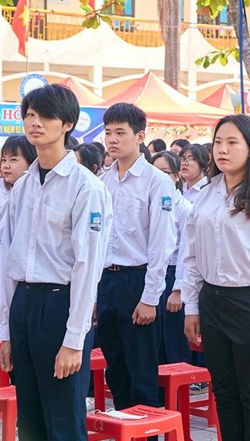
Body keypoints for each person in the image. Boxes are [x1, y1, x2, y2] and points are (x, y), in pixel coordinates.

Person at [0, 85, 112, 440]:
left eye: (45, 115)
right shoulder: (23, 187)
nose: (34, 122)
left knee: (63, 418)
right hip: (24, 305)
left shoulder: (86, 187)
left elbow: (87, 266)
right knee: (30, 418)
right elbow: (8, 259)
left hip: (59, 304)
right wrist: (5, 332)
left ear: (67, 124)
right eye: (30, 115)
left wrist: (74, 339)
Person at [182, 115, 250, 441]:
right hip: (212, 300)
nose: (223, 149)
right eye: (218, 142)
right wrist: (192, 306)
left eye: (232, 142)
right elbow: (191, 256)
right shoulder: (206, 194)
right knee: (224, 392)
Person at [98, 103, 177, 411]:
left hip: (137, 280)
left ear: (140, 136)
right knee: (115, 369)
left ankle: (145, 429)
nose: (112, 139)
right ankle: (123, 427)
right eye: (108, 133)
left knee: (141, 371)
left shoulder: (156, 181)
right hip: (107, 280)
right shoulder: (103, 181)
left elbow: (162, 243)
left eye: (120, 132)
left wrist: (150, 297)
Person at [149, 150, 193, 366]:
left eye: (165, 172)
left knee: (174, 340)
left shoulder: (184, 208)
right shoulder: (151, 203)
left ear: (176, 176)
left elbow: (186, 251)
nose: (159, 177)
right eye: (155, 172)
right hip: (152, 273)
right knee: (154, 341)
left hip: (173, 274)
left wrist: (178, 290)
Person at [1, 135, 37, 208]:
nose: (6, 166)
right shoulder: (2, 187)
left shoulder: (37, 191)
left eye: (13, 160)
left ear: (31, 161)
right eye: (4, 160)